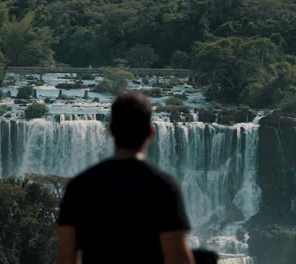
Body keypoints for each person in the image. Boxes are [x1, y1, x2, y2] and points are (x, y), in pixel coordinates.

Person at [58, 92, 194, 264]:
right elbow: (178, 259)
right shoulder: (163, 187)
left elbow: (65, 258)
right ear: (150, 132)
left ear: (111, 130)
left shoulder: (78, 186)